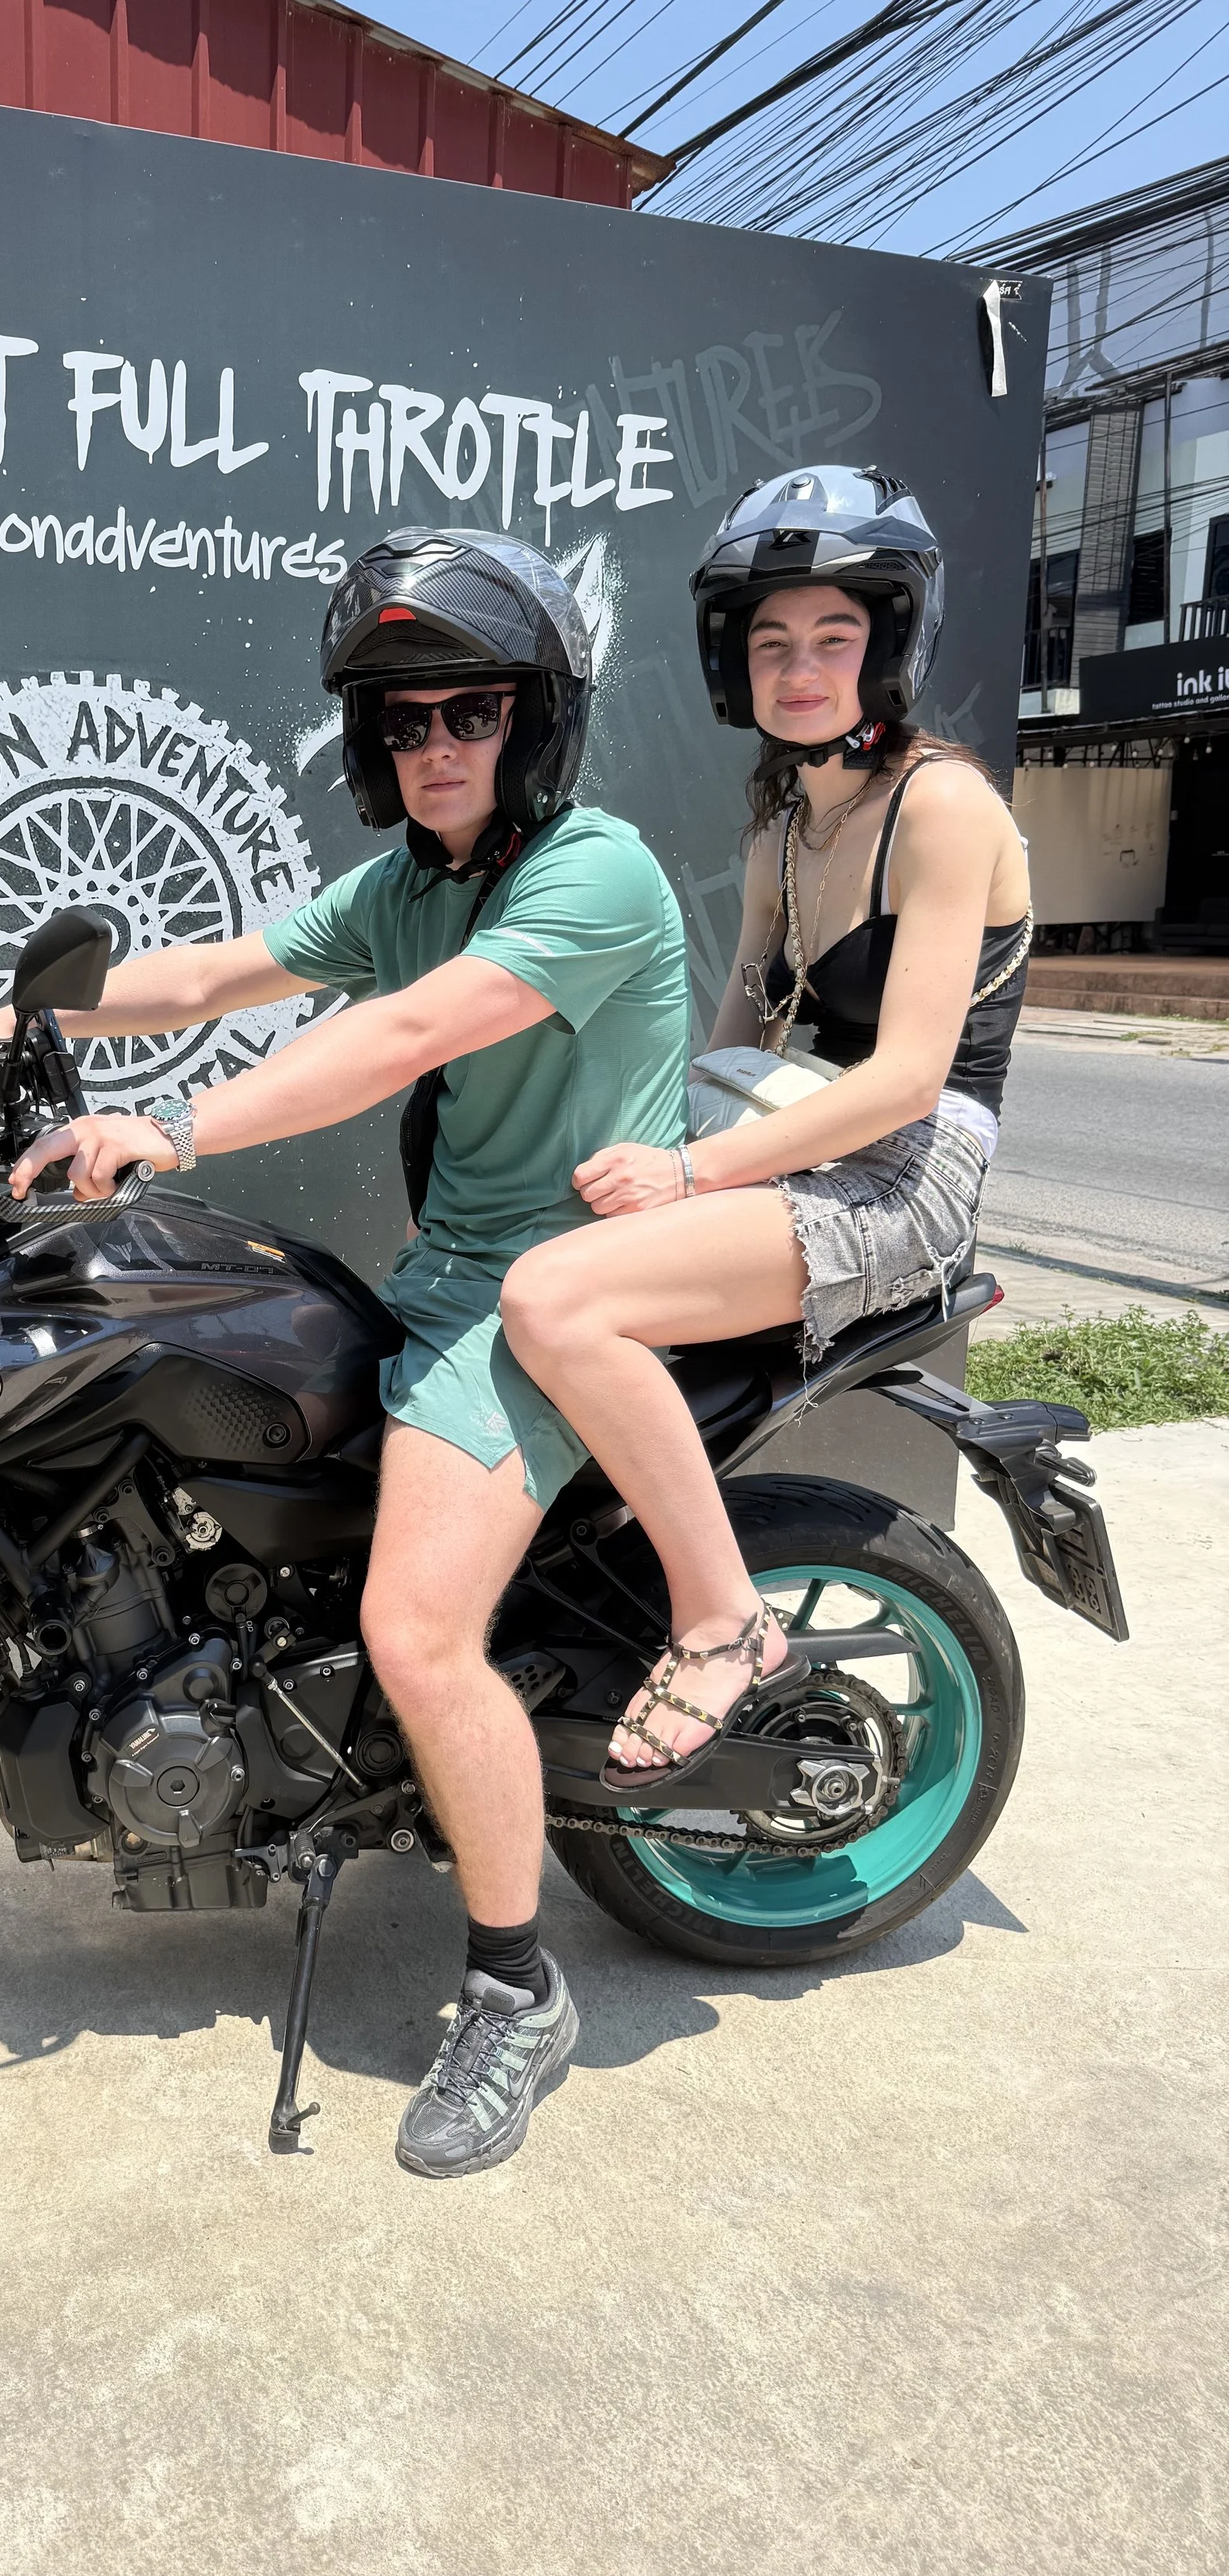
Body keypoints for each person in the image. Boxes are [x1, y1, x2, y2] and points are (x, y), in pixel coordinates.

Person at [0, 527, 691, 2178]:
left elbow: (404, 1036)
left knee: (415, 1628)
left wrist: (174, 1128)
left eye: (469, 712)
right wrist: (12, 1030)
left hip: (554, 1296)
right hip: (450, 1278)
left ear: (535, 718)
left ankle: (512, 1989)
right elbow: (217, 968)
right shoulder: (411, 881)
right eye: (402, 719)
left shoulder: (590, 872)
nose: (432, 745)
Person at [499, 466, 1031, 1788]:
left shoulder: (940, 805)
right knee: (520, 1237)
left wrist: (690, 1169)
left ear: (889, 647)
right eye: (773, 642)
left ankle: (727, 1621)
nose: (800, 669)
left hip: (909, 1168)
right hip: (787, 1127)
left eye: (834, 639)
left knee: (558, 1304)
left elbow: (908, 1075)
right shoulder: (787, 813)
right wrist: (630, 1132)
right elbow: (739, 1026)